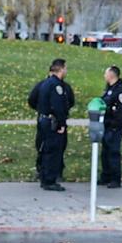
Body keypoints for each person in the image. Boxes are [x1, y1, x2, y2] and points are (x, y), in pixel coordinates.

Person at [27, 58, 75, 190]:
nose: (66, 71)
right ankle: (49, 180)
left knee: (45, 148)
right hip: (52, 122)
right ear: (60, 69)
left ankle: (44, 176)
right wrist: (61, 124)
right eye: (65, 68)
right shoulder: (57, 86)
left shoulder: (45, 83)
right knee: (53, 150)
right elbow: (58, 106)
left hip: (44, 120)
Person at [99, 65, 122, 187]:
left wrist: (114, 124)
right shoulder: (109, 89)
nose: (104, 76)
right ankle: (105, 176)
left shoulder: (120, 91)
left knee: (113, 152)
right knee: (105, 152)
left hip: (114, 127)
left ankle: (115, 179)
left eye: (106, 73)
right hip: (106, 125)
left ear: (111, 75)